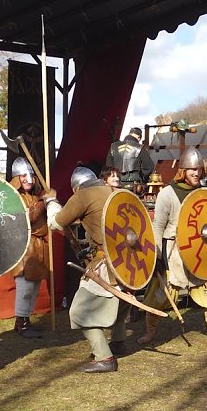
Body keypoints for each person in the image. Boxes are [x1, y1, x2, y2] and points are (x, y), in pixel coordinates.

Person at [139, 147, 207, 350]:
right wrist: (158, 255)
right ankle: (150, 332)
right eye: (191, 170)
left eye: (198, 169)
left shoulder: (204, 193)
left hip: (200, 252)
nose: (196, 173)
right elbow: (158, 226)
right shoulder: (167, 194)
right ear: (182, 171)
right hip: (173, 253)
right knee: (159, 294)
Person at [44, 167, 131, 372]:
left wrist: (51, 202)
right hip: (129, 261)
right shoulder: (116, 192)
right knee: (121, 300)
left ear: (76, 188)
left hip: (107, 263)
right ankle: (118, 342)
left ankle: (104, 357)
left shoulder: (83, 195)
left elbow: (55, 223)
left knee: (79, 312)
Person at [10, 157, 49, 338]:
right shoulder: (13, 196)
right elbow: (29, 216)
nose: (27, 179)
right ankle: (21, 323)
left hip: (37, 244)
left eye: (29, 175)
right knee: (25, 286)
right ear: (16, 178)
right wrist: (44, 201)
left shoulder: (34, 194)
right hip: (24, 246)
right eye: (22, 176)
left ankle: (26, 320)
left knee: (34, 285)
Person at [106, 127, 154, 191]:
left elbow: (108, 166)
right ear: (139, 138)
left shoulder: (113, 146)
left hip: (116, 184)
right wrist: (143, 179)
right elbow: (149, 167)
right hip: (134, 185)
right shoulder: (140, 147)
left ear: (129, 134)